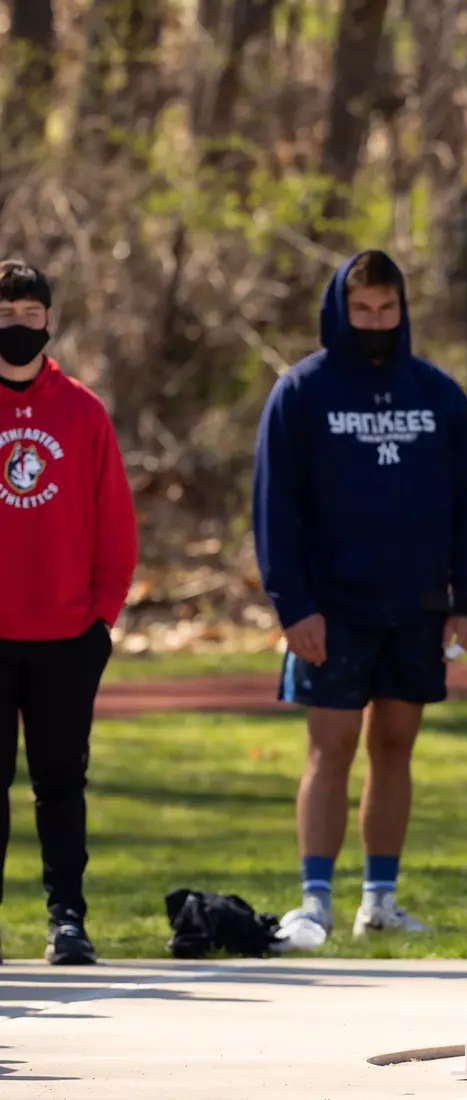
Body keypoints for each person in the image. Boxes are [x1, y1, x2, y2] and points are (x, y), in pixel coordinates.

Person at [253, 250, 467, 948]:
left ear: (402, 309)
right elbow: (275, 509)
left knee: (396, 746)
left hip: (417, 606)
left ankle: (379, 899)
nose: (375, 322)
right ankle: (315, 900)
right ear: (339, 308)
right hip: (331, 611)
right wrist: (293, 607)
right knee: (331, 749)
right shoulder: (301, 393)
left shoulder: (437, 392)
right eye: (362, 310)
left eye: (386, 310)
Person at [0, 259, 137, 965]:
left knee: (60, 783)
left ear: (49, 321)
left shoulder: (82, 411)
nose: (17, 325)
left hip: (65, 635)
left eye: (29, 314)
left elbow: (115, 524)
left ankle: (68, 920)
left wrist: (100, 619)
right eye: (6, 312)